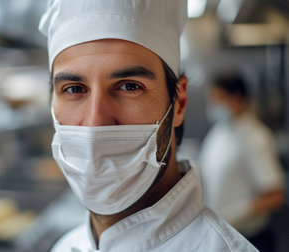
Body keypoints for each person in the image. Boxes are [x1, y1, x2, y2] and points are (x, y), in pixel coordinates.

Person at [38, 0, 257, 251]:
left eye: (129, 86)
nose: (95, 122)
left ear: (180, 103)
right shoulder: (65, 247)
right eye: (74, 89)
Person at [199, 73, 285, 251]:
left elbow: (275, 195)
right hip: (219, 234)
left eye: (217, 98)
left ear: (236, 98)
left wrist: (232, 214)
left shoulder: (256, 138)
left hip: (247, 239)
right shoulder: (220, 131)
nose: (212, 105)